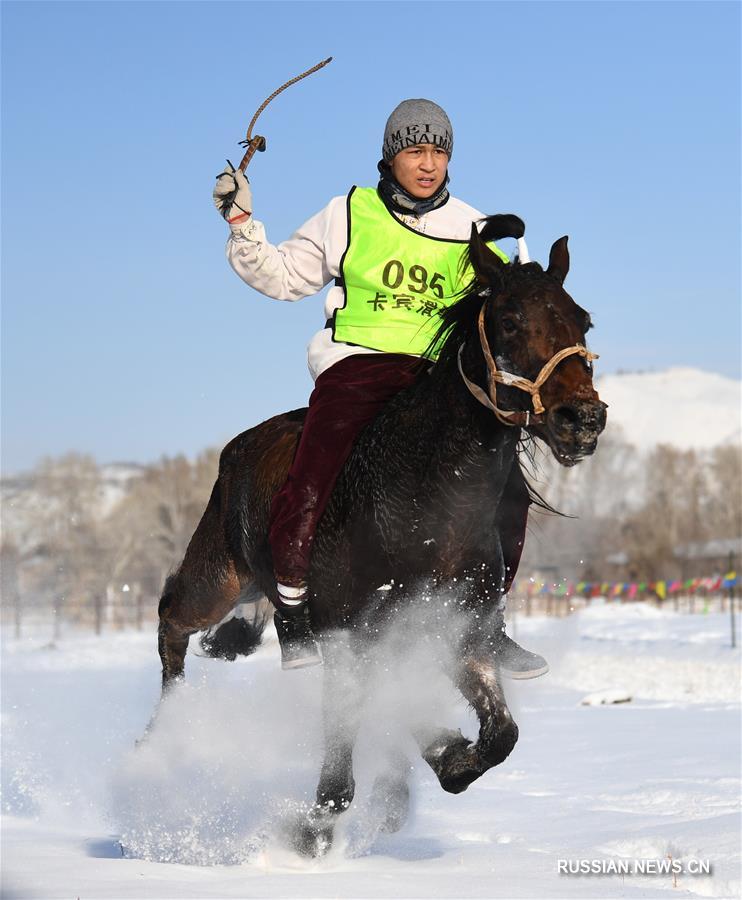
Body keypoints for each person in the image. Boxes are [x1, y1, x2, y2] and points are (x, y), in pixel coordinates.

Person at [213, 99, 548, 678]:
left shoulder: (472, 227)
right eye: (415, 151)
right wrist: (243, 225)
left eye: (439, 152)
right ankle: (290, 600)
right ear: (390, 156)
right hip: (358, 364)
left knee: (508, 483)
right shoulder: (348, 212)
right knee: (317, 464)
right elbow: (284, 276)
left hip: (437, 378)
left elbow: (509, 307)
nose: (428, 164)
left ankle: (484, 622)